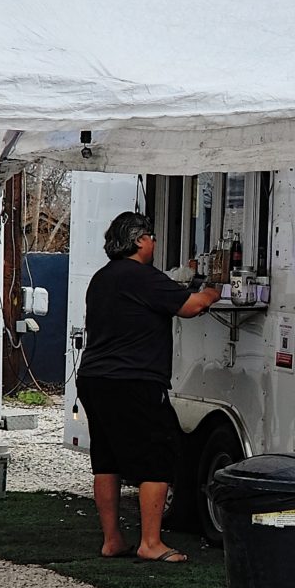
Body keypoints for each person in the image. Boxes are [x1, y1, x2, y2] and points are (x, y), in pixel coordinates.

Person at [77, 211, 221, 562]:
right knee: (159, 456)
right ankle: (150, 543)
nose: (155, 243)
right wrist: (216, 288)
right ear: (140, 240)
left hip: (94, 378)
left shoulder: (102, 278)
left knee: (107, 460)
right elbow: (191, 306)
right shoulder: (141, 276)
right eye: (152, 237)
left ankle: (112, 540)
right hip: (134, 379)